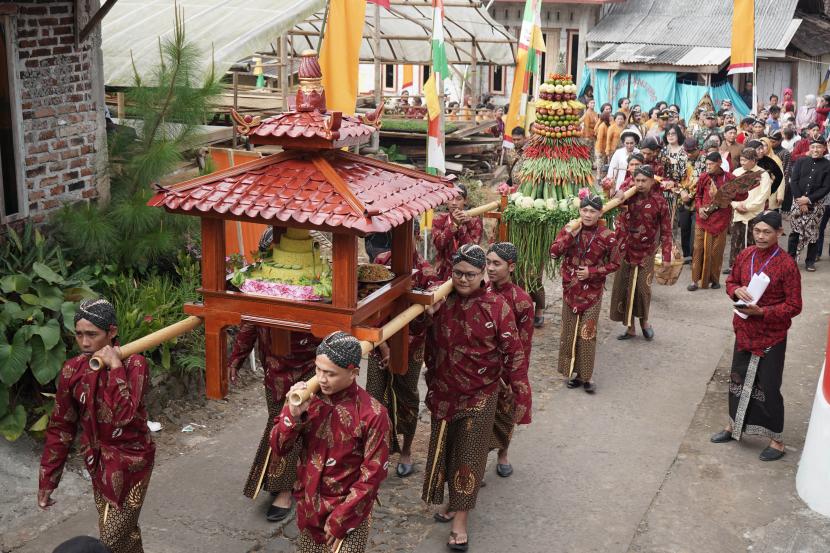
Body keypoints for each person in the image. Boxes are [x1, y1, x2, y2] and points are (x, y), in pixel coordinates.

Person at [421, 244, 530, 551]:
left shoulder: (497, 307)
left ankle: (460, 521)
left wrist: (518, 393)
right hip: (442, 392)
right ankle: (452, 503)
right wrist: (425, 317)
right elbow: (416, 334)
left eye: (470, 274)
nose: (463, 280)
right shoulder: (440, 300)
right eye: (457, 273)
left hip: (480, 396)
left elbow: (514, 353)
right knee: (446, 451)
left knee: (468, 458)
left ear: (483, 274)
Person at [39, 299, 154, 553]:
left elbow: (124, 417)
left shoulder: (135, 365)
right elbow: (61, 426)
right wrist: (48, 479)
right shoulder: (72, 370)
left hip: (132, 462)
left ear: (111, 332)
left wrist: (115, 367)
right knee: (125, 537)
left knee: (111, 540)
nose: (85, 343)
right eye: (79, 334)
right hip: (97, 462)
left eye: (92, 334)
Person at [275, 332, 390, 553]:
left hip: (349, 512)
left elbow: (372, 476)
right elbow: (280, 448)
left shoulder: (373, 414)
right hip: (310, 507)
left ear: (353, 373)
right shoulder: (309, 400)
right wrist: (292, 415)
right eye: (318, 370)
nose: (321, 379)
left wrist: (341, 520)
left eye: (330, 373)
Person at [710, 211, 802, 461]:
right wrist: (735, 290)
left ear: (779, 234)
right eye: (757, 231)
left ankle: (776, 440)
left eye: (767, 232)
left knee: (769, 386)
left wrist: (763, 312)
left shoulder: (787, 265)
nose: (760, 236)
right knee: (737, 380)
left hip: (772, 334)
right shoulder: (745, 255)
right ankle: (733, 426)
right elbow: (731, 282)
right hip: (744, 329)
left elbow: (794, 306)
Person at [228, 319, 319, 520]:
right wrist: (236, 358)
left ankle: (285, 490)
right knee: (278, 425)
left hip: (308, 365)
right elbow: (250, 322)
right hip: (274, 369)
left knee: (296, 425)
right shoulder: (261, 289)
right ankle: (284, 479)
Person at [366, 220, 437, 477]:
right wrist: (384, 347)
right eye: (394, 237)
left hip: (411, 346)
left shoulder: (428, 274)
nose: (398, 243)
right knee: (373, 399)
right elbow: (369, 310)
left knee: (407, 396)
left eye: (404, 237)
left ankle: (406, 449)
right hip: (378, 342)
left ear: (416, 237)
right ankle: (374, 453)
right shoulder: (380, 265)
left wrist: (431, 309)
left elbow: (427, 318)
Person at [550, 194, 620, 392]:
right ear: (579, 210)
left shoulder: (608, 235)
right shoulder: (570, 229)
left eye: (592, 211)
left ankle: (586, 376)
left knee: (587, 333)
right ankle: (572, 372)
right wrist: (569, 236)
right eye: (584, 210)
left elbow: (615, 263)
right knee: (569, 332)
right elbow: (554, 253)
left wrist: (593, 272)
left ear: (600, 213)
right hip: (570, 290)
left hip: (592, 292)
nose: (588, 215)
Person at [485, 242, 534, 477]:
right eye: (488, 263)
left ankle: (503, 453)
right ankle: (476, 463)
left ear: (511, 267)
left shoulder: (522, 300)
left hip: (507, 368)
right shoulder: (480, 292)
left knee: (505, 412)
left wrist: (513, 376)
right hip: (480, 367)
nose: (491, 268)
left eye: (497, 264)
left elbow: (523, 344)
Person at [610, 165, 672, 340]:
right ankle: (630, 328)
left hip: (647, 252)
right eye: (637, 180)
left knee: (643, 289)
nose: (640, 184)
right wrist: (616, 192)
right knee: (626, 288)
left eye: (644, 180)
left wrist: (667, 255)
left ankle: (645, 321)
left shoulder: (660, 202)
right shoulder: (627, 197)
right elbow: (610, 204)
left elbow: (666, 230)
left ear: (652, 181)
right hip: (626, 249)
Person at [688, 152, 740, 291]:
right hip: (703, 219)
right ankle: (694, 281)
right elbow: (698, 195)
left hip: (721, 220)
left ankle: (715, 280)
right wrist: (699, 209)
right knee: (698, 249)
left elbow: (742, 195)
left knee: (717, 252)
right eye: (707, 164)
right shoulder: (704, 177)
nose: (708, 167)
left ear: (719, 162)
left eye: (711, 164)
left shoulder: (729, 178)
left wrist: (731, 196)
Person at [788, 136, 830, 271]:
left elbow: (826, 187)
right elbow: (793, 181)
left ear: (824, 149)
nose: (815, 150)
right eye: (813, 147)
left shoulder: (828, 165)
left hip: (816, 205)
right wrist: (801, 200)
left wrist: (809, 199)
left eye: (818, 147)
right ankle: (791, 259)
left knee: (813, 234)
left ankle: (810, 261)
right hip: (797, 202)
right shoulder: (800, 161)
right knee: (795, 232)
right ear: (809, 148)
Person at [727, 148, 772, 269]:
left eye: (745, 160)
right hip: (738, 213)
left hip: (755, 214)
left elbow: (764, 195)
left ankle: (753, 267)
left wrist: (748, 207)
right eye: (741, 160)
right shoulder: (736, 172)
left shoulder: (763, 174)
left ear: (753, 160)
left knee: (754, 242)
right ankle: (735, 267)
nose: (742, 163)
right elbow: (729, 192)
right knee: (736, 240)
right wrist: (736, 205)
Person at [432, 183, 483, 280]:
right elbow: (439, 244)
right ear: (446, 200)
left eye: (459, 199)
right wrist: (454, 225)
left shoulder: (474, 221)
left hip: (467, 270)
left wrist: (462, 226)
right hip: (445, 270)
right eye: (451, 198)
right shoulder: (439, 219)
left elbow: (472, 249)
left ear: (465, 200)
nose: (454, 203)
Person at [678, 138, 706, 261]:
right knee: (684, 228)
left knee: (696, 230)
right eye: (687, 151)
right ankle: (686, 255)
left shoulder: (705, 160)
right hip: (682, 198)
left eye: (692, 151)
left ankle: (695, 256)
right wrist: (682, 192)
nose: (689, 154)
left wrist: (691, 195)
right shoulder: (682, 159)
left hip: (698, 200)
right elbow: (676, 177)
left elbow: (704, 180)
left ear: (698, 148)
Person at [769, 130, 793, 212]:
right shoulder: (766, 151)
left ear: (780, 141)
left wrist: (783, 189)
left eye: (774, 141)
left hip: (779, 182)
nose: (771, 143)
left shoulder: (785, 153)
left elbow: (786, 172)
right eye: (770, 141)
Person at [594, 109, 612, 175]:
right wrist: (600, 150)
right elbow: (600, 139)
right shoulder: (602, 126)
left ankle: (602, 176)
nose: (611, 117)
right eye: (609, 116)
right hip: (600, 148)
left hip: (605, 148)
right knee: (600, 164)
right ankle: (598, 177)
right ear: (606, 118)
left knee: (604, 164)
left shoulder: (609, 125)